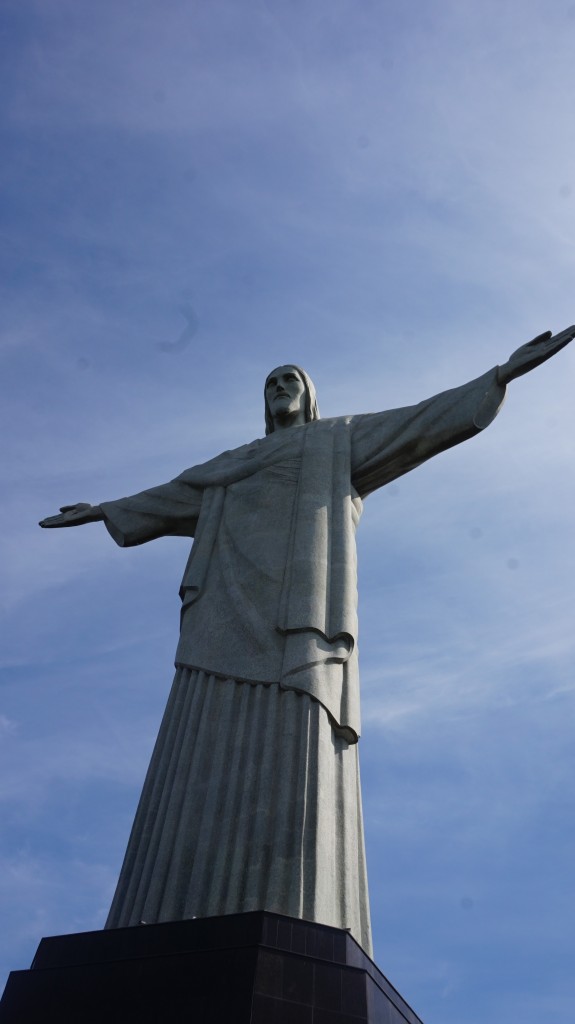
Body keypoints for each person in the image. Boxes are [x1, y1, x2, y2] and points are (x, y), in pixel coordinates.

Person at [40, 327, 574, 956]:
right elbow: (171, 496)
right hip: (221, 617)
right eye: (269, 382)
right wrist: (103, 510)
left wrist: (502, 376)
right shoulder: (229, 466)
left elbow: (422, 422)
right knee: (200, 736)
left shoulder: (337, 441)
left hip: (300, 623)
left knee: (294, 736)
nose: (278, 388)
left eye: (289, 379)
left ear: (310, 395)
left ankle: (291, 902)